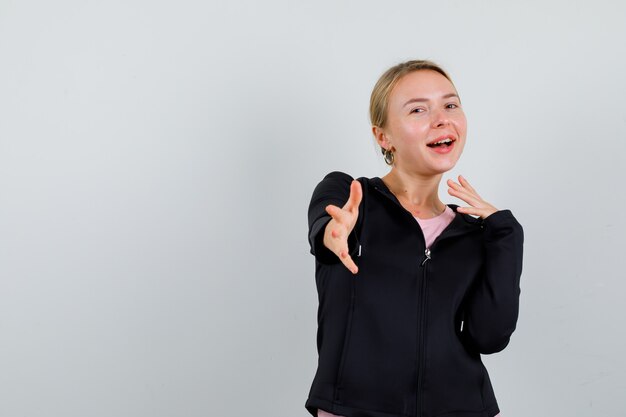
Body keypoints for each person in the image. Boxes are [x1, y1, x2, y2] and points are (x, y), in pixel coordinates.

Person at [305, 60, 524, 417]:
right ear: (383, 136)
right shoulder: (350, 195)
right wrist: (332, 234)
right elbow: (326, 227)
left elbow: (489, 337)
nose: (441, 119)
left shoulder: (473, 233)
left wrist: (506, 233)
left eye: (450, 105)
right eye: (419, 109)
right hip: (354, 408)